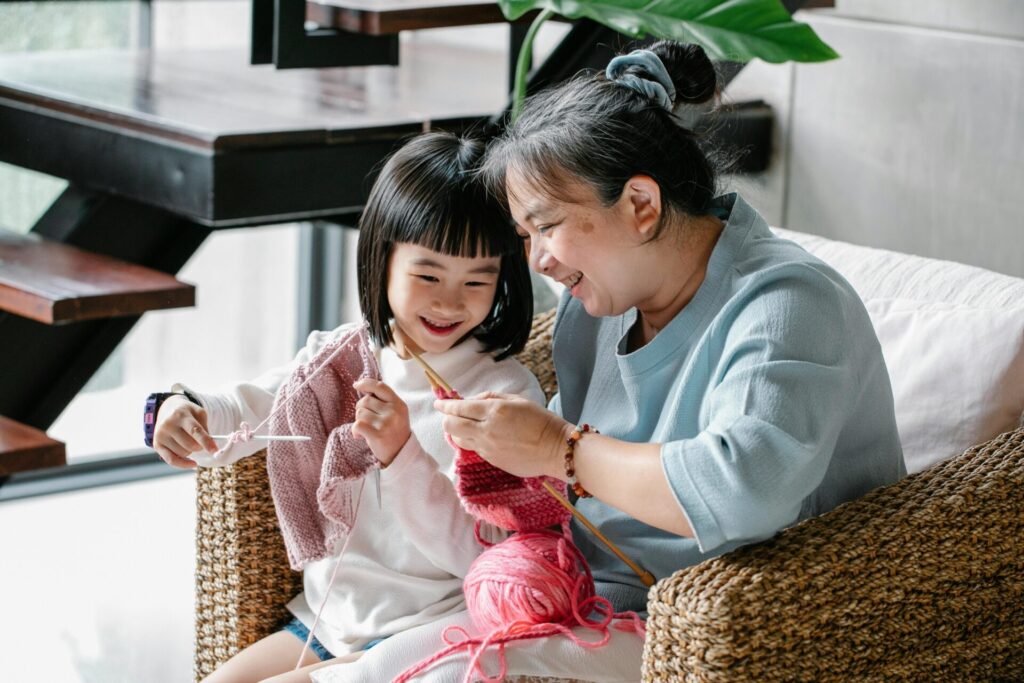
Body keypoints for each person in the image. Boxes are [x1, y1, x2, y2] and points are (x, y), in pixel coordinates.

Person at [311, 41, 905, 682]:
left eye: (546, 226)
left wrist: (557, 448)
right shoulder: (600, 306)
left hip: (721, 627)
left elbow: (746, 489)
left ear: (641, 206)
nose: (537, 260)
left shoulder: (790, 303)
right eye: (525, 237)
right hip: (576, 596)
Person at [146, 132, 544, 683]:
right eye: (428, 275)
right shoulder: (336, 362)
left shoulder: (502, 397)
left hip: (431, 632)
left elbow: (484, 553)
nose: (451, 302)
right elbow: (246, 411)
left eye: (478, 281)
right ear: (382, 259)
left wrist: (402, 454)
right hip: (324, 624)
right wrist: (174, 411)